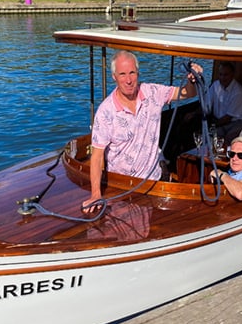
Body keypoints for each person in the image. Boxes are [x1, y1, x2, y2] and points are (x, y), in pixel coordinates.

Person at [83, 50, 202, 212]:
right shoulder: (105, 112)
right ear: (114, 77)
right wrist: (96, 194)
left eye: (132, 73)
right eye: (122, 74)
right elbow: (96, 157)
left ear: (138, 73)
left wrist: (192, 80)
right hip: (122, 186)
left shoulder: (152, 92)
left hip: (153, 181)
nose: (128, 80)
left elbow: (188, 93)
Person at [209, 135, 242, 201]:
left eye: (241, 155)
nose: (234, 158)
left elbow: (240, 193)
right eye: (231, 154)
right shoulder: (233, 169)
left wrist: (221, 175)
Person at [208, 61, 242, 144]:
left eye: (226, 75)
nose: (222, 78)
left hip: (237, 122)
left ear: (232, 75)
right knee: (208, 139)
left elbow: (228, 118)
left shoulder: (239, 92)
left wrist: (211, 126)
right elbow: (206, 104)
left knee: (228, 141)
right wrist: (194, 114)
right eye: (220, 74)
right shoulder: (215, 85)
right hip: (220, 122)